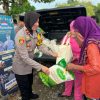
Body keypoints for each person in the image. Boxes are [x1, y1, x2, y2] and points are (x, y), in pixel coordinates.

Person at [12, 11, 57, 100]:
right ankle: (26, 96)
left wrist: (52, 53)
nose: (37, 24)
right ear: (28, 21)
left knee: (30, 83)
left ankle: (30, 94)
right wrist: (41, 67)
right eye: (34, 22)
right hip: (20, 67)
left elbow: (40, 45)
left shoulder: (36, 32)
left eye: (38, 22)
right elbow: (24, 57)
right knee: (24, 90)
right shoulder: (20, 36)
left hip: (29, 64)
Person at [67, 16, 100, 100]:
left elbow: (95, 68)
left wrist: (74, 66)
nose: (74, 37)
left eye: (75, 34)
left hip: (95, 86)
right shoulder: (96, 38)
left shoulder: (91, 45)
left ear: (81, 32)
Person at [58, 21, 83, 100]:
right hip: (78, 64)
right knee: (78, 83)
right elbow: (85, 52)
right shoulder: (82, 37)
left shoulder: (67, 36)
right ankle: (78, 97)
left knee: (68, 78)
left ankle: (67, 92)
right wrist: (76, 57)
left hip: (67, 62)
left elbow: (62, 46)